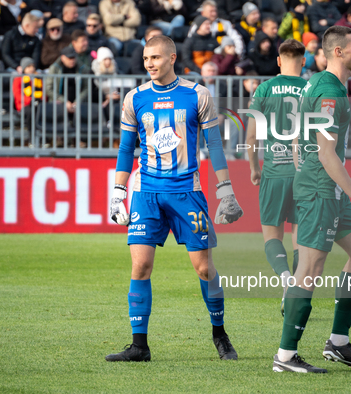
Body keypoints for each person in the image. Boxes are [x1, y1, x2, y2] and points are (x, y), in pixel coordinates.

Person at [106, 35, 243, 363]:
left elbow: (214, 145)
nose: (149, 64)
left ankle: (219, 334)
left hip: (187, 193)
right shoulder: (134, 98)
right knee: (140, 266)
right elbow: (127, 149)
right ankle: (139, 346)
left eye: (155, 57)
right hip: (147, 193)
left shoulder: (197, 95)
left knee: (204, 269)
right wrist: (117, 193)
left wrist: (225, 190)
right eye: (145, 58)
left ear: (172, 57)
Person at [274, 25, 351, 373]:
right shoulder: (330, 92)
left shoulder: (317, 84)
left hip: (324, 188)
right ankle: (285, 356)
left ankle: (338, 343)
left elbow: (294, 139)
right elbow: (326, 153)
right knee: (310, 269)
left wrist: (301, 171)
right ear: (338, 52)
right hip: (323, 190)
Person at [246, 39, 308, 318]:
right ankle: (296, 288)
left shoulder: (265, 88)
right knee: (300, 237)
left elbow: (250, 136)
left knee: (272, 234)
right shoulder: (311, 87)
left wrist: (253, 168)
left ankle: (285, 279)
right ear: (304, 61)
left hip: (273, 170)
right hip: (305, 173)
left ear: (279, 61)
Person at [45, 46, 90, 111]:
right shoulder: (54, 68)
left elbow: (87, 87)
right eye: (69, 58)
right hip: (58, 103)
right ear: (62, 58)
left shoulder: (83, 68)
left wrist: (78, 101)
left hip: (79, 103)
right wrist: (64, 101)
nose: (72, 60)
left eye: (73, 58)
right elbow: (49, 88)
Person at [13, 57, 44, 130]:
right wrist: (31, 100)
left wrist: (39, 99)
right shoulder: (18, 79)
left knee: (43, 110)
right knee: (31, 111)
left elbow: (43, 93)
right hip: (23, 105)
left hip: (37, 104)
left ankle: (44, 138)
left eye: (33, 66)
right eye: (29, 66)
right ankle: (32, 137)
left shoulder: (38, 79)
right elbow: (18, 95)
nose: (31, 68)